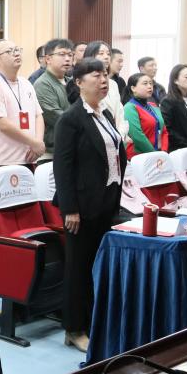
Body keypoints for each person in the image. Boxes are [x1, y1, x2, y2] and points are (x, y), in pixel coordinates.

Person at [53, 58, 125, 352]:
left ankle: (94, 320)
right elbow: (63, 167)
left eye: (105, 74)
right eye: (96, 75)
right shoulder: (71, 119)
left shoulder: (104, 113)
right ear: (79, 82)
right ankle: (74, 329)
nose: (103, 80)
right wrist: (70, 209)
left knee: (97, 266)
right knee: (78, 269)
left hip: (106, 202)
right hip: (81, 208)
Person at [0, 40, 44, 167]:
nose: (16, 54)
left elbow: (38, 115)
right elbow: (3, 124)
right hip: (5, 160)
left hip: (30, 157)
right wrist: (34, 143)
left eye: (17, 50)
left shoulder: (26, 83)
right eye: (9, 51)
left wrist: (38, 143)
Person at [34, 38, 74, 161]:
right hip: (52, 153)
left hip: (72, 147)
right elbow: (57, 117)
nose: (67, 59)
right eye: (62, 54)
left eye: (70, 55)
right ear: (48, 59)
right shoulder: (42, 84)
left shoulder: (72, 82)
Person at [84, 41, 128, 139]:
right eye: (101, 53)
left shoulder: (113, 84)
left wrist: (119, 135)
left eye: (108, 54)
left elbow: (119, 113)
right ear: (90, 56)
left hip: (116, 136)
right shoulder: (84, 82)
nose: (106, 57)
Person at [123, 73, 169, 158]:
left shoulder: (153, 106)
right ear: (133, 88)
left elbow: (164, 130)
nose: (149, 86)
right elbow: (137, 136)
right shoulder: (129, 107)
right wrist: (154, 154)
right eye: (145, 83)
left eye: (151, 83)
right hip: (139, 157)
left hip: (159, 156)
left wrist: (164, 151)